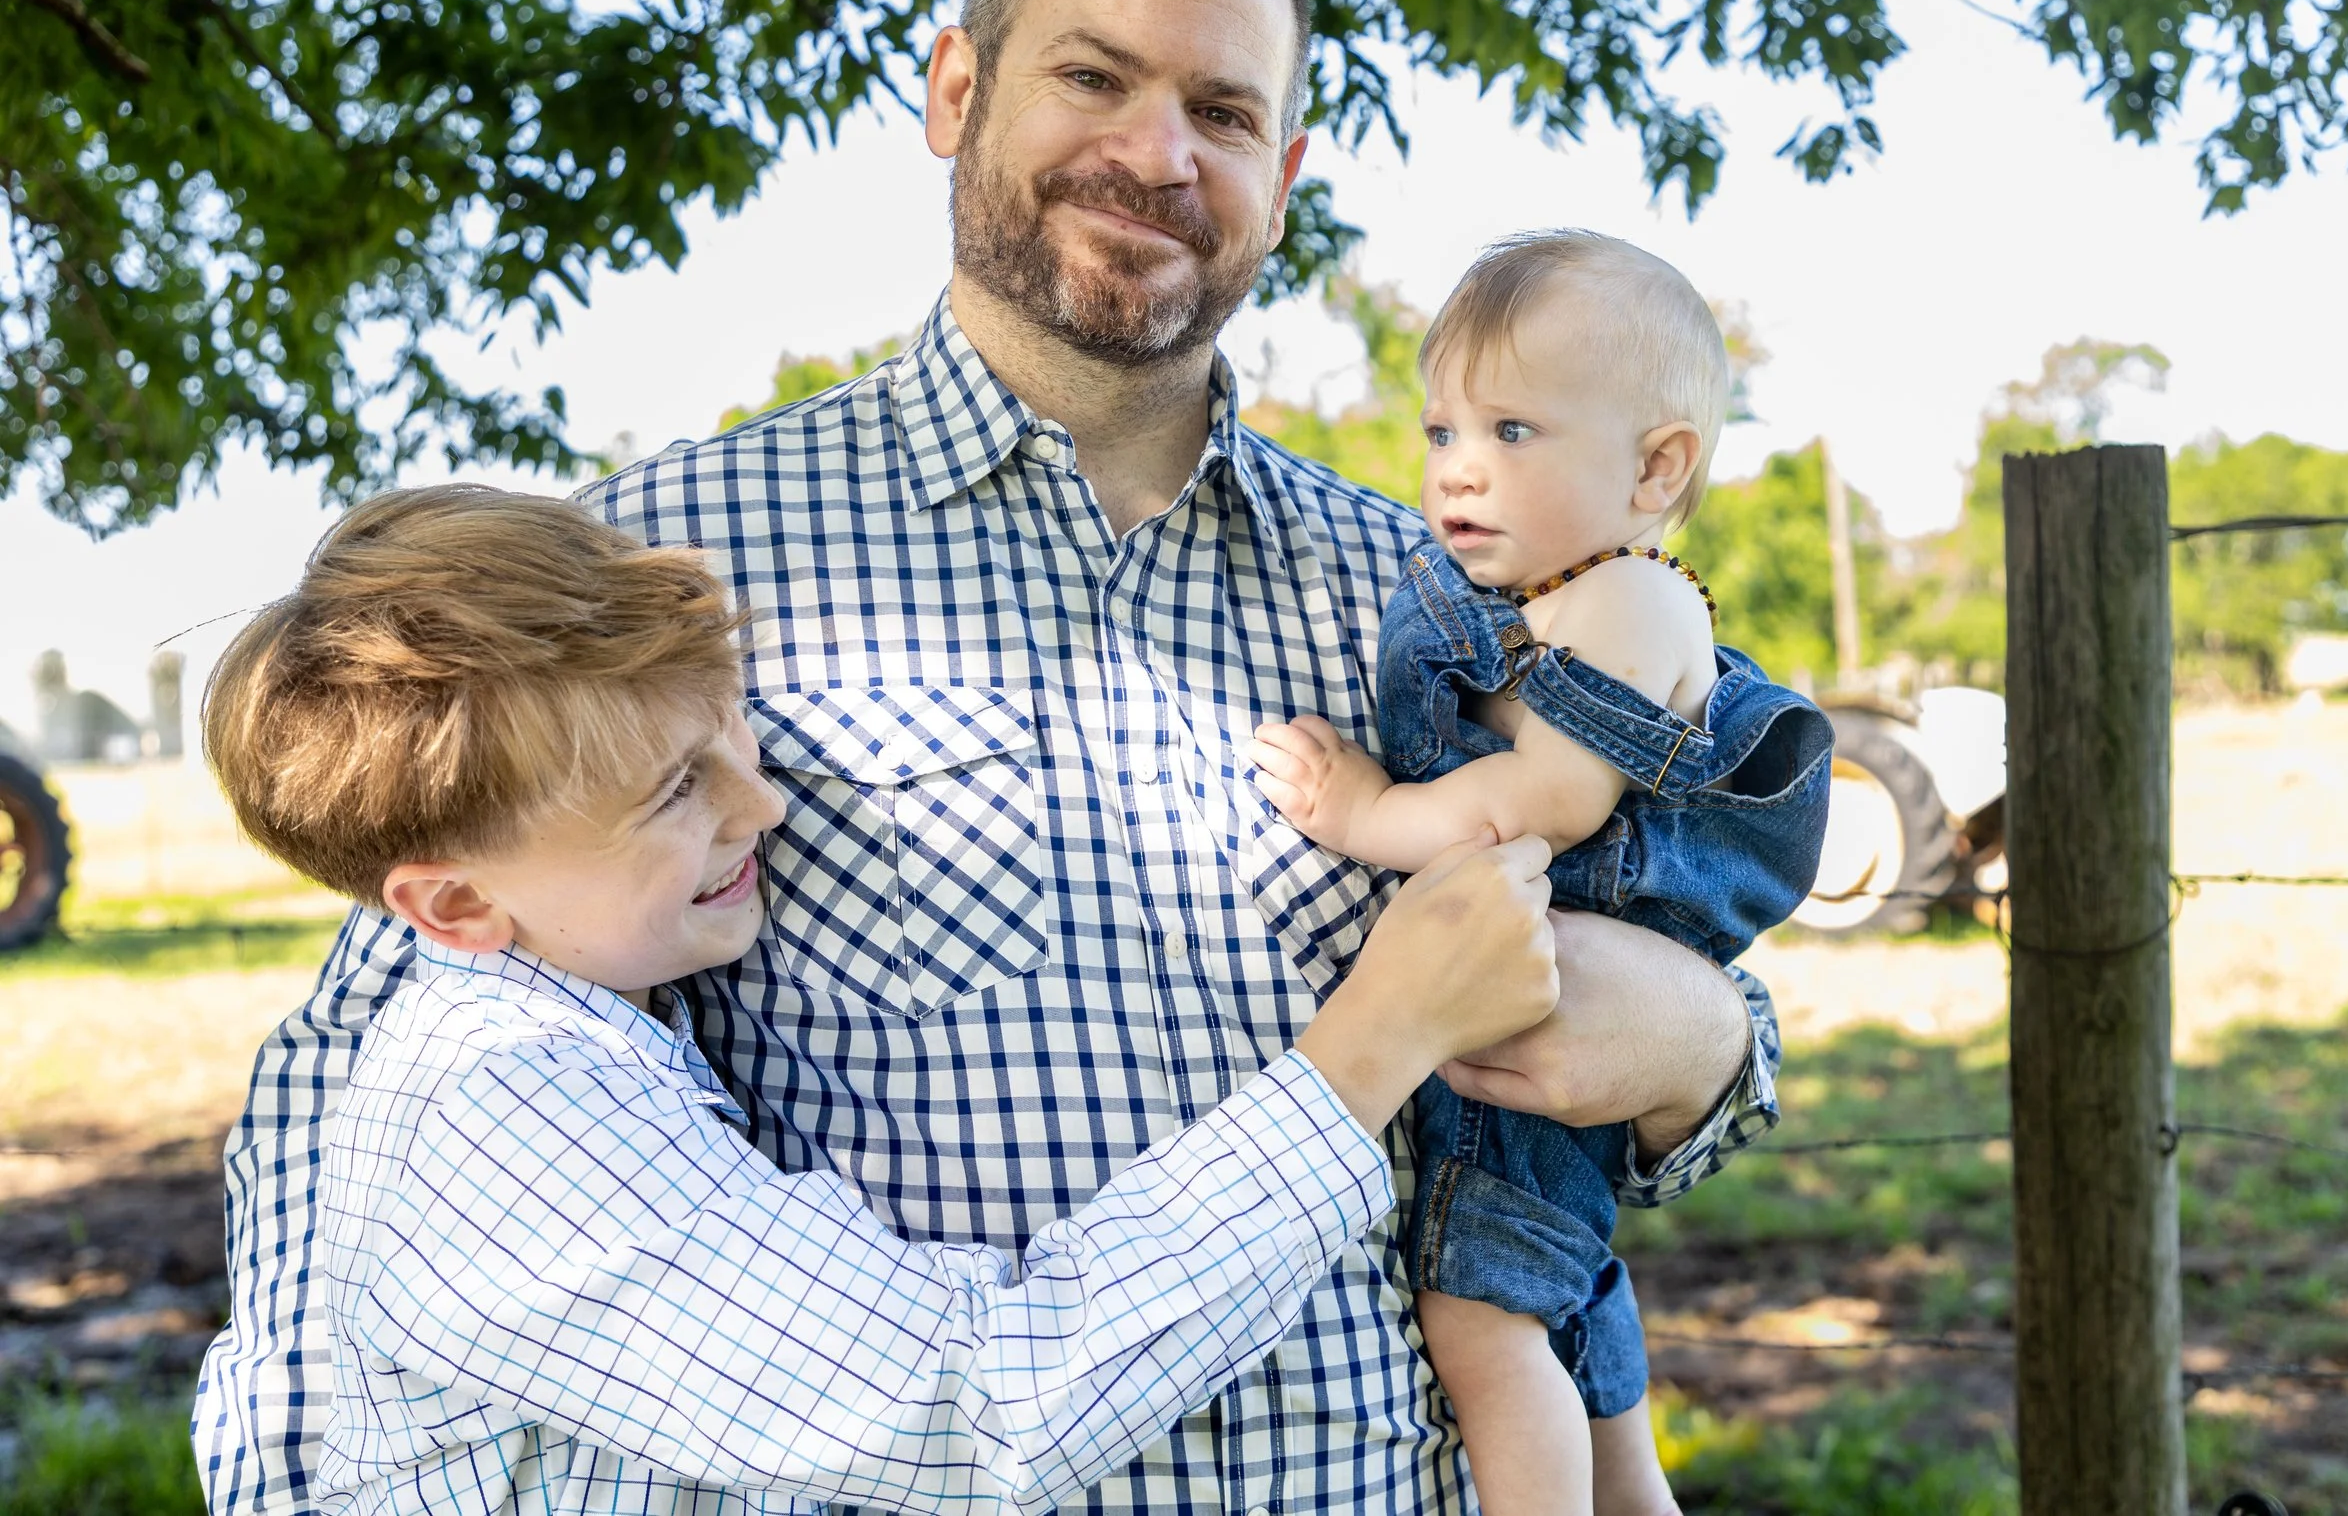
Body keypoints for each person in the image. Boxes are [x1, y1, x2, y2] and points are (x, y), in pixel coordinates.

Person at [195, 0, 1786, 1509]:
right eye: (1094, 76)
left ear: (1286, 168)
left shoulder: (1446, 597)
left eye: (1225, 113)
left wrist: (1695, 1041)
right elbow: (363, 1125)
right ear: (957, 87)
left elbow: (1686, 955)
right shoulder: (659, 576)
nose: (1159, 154)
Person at [195, 484, 1562, 1510]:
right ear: (453, 905)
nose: (765, 800)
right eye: (677, 791)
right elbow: (977, 1407)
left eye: (728, 723)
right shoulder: (509, 1109)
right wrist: (1375, 1039)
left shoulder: (580, 1001)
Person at [1248, 232, 1834, 1515]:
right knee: (1569, 1285)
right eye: (1442, 427)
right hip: (1516, 1029)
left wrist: (1362, 809)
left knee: (1483, 1321)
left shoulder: (1631, 602)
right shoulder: (1531, 588)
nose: (1460, 466)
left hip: (1529, 1020)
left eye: (1513, 429)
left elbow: (1545, 800)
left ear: (1655, 466)